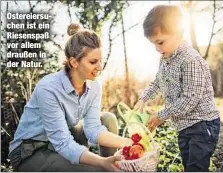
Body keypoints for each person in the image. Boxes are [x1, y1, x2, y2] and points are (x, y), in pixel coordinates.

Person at [8, 23, 132, 172]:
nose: (100, 67)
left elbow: (93, 129)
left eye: (100, 60)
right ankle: (105, 167)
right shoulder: (49, 88)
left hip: (60, 140)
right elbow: (63, 143)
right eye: (93, 62)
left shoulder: (94, 86)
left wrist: (128, 142)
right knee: (97, 170)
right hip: (30, 151)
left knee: (107, 119)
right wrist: (100, 163)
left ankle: (112, 165)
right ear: (74, 62)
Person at [134, 5, 220, 172]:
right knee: (188, 164)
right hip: (184, 126)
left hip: (202, 125)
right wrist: (143, 98)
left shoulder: (190, 60)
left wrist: (161, 115)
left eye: (160, 42)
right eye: (154, 43)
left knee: (196, 167)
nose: (157, 48)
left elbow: (190, 99)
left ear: (178, 33)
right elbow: (157, 82)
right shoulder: (165, 58)